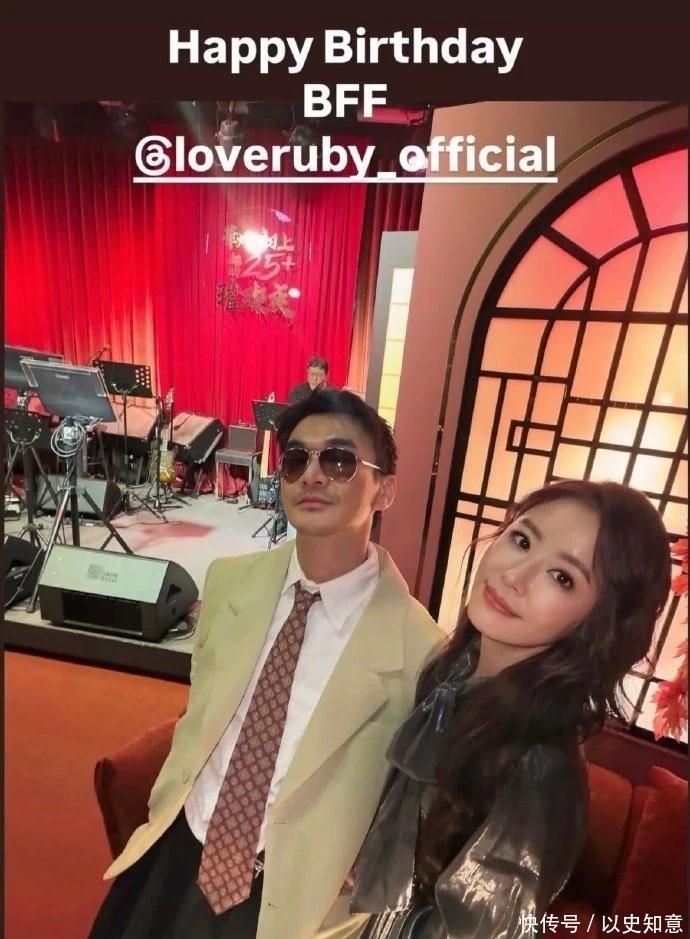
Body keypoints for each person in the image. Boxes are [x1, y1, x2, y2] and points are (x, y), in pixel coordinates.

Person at [87, 389, 442, 939]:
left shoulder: (423, 650)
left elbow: (419, 798)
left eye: (339, 460)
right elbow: (203, 714)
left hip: (288, 890)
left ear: (385, 490)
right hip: (178, 846)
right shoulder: (230, 581)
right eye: (296, 459)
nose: (312, 475)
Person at [349, 479, 672, 939]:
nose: (515, 575)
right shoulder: (451, 672)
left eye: (562, 577)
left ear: (598, 622)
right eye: (521, 540)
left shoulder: (538, 767)